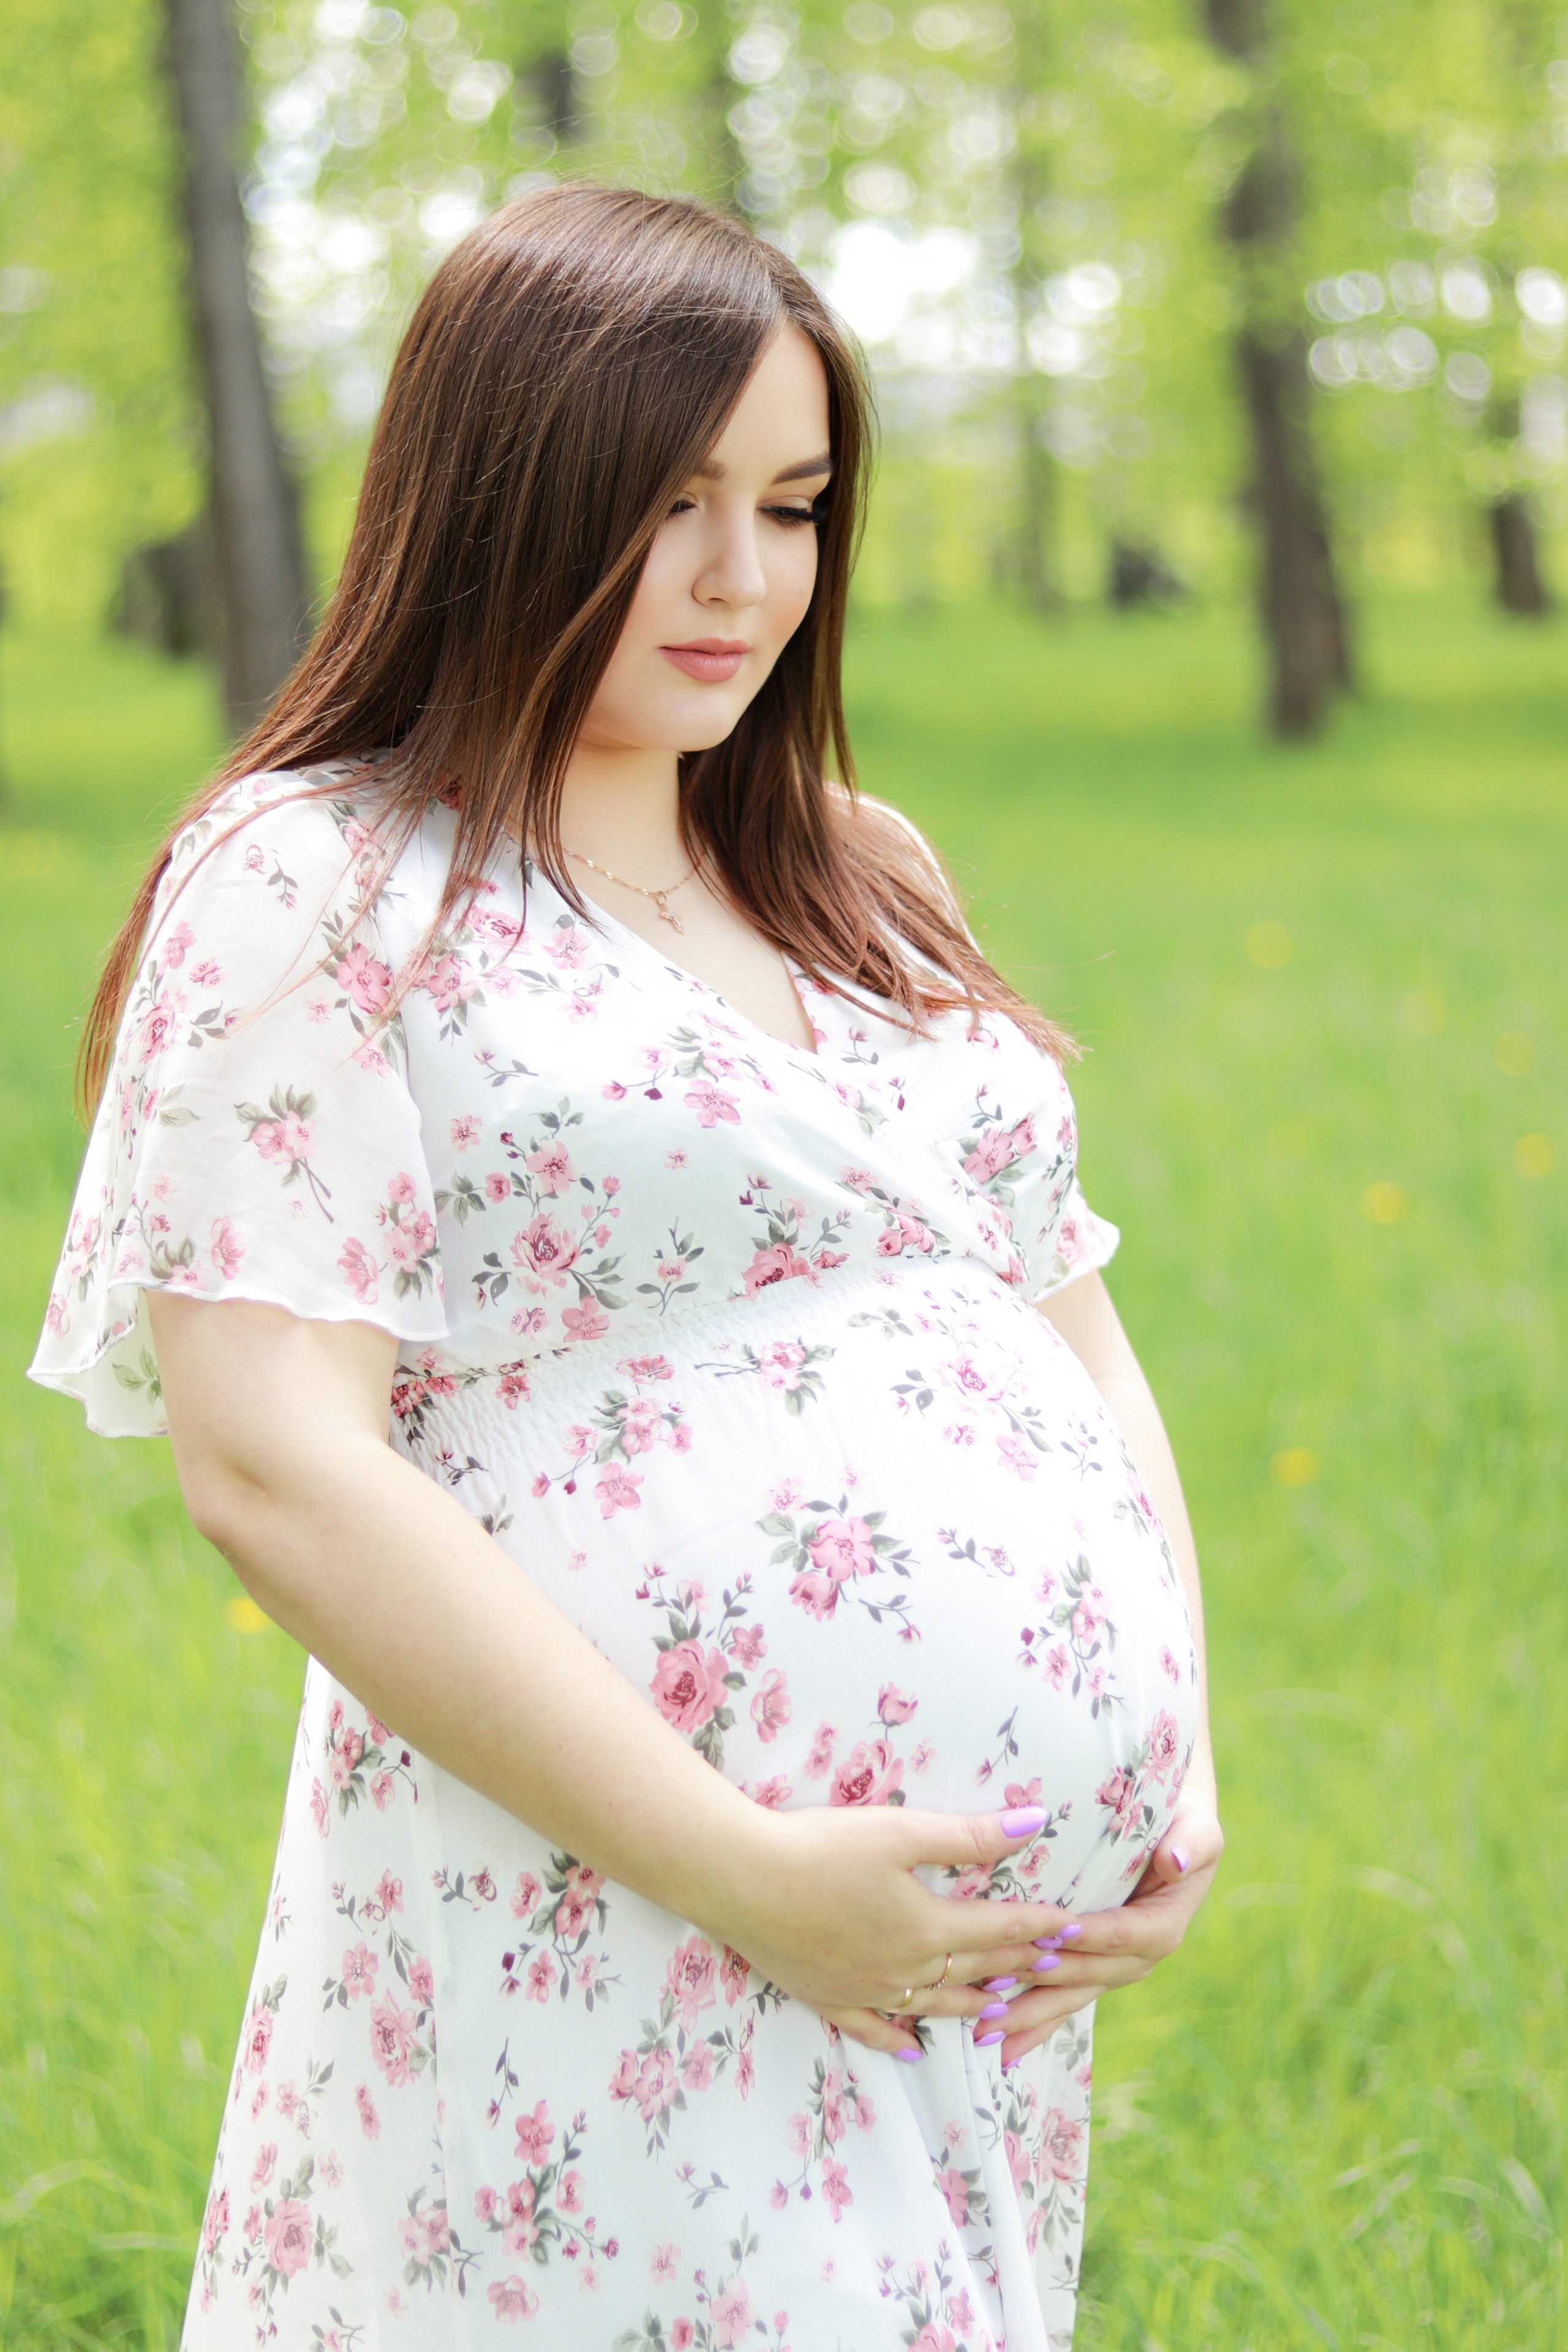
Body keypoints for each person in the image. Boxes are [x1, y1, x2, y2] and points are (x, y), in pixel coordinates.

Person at [32, 185, 1221, 2351]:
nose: (746, 579)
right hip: (603, 1908)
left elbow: (1071, 1334)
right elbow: (274, 1461)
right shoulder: (324, 883)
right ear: (503, 501)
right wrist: (728, 1862)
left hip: (955, 1985)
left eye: (792, 503)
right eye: (669, 503)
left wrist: (1178, 1755)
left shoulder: (859, 867)